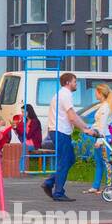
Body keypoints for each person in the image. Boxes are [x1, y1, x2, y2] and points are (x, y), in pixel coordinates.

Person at [42, 71, 98, 203]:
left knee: (69, 159)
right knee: (64, 161)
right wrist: (85, 129)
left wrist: (86, 127)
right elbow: (72, 117)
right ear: (68, 82)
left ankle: (49, 182)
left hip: (59, 131)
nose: (75, 84)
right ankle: (58, 192)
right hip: (60, 131)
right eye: (74, 81)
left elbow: (73, 116)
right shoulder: (65, 95)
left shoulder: (60, 94)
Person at [86, 83, 112, 196]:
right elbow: (98, 123)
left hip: (103, 138)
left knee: (106, 163)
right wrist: (91, 129)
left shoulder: (105, 107)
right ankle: (96, 186)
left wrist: (99, 141)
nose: (95, 94)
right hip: (99, 136)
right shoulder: (103, 105)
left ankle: (110, 186)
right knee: (99, 162)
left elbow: (103, 125)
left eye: (96, 92)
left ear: (100, 93)